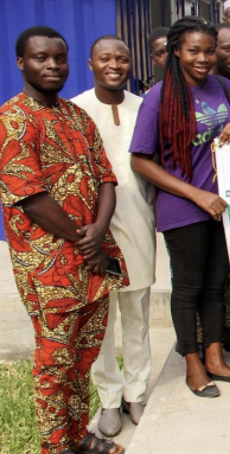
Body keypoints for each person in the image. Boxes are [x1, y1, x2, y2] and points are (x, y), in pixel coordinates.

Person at [1, 26, 128, 454]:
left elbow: (107, 178)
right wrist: (82, 236)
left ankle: (79, 437)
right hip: (48, 268)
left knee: (84, 356)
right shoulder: (13, 119)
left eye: (59, 57)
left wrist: (96, 232)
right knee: (54, 363)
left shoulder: (76, 115)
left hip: (91, 262)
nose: (52, 65)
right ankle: (56, 446)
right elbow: (29, 197)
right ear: (22, 63)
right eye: (41, 58)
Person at [129, 16, 230, 399]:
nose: (203, 58)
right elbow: (140, 160)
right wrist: (195, 194)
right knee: (188, 289)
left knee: (216, 286)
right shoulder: (159, 97)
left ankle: (215, 357)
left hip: (223, 204)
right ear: (176, 52)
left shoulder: (225, 86)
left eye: (208, 50)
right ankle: (192, 363)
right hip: (184, 208)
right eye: (193, 51)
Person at [71, 35, 156, 438]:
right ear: (91, 63)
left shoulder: (144, 107)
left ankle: (135, 391)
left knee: (137, 314)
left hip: (138, 220)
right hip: (93, 229)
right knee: (102, 321)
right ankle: (108, 398)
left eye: (121, 59)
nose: (114, 65)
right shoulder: (75, 109)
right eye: (105, 58)